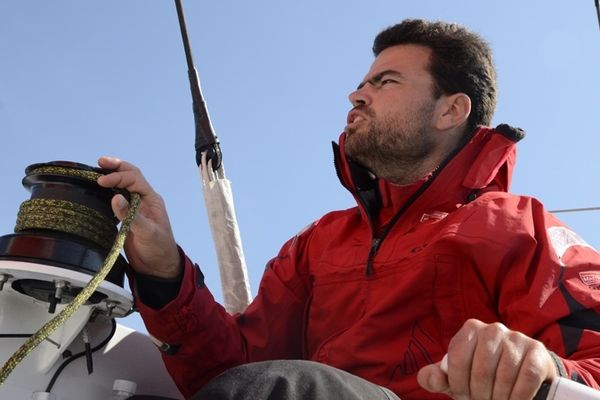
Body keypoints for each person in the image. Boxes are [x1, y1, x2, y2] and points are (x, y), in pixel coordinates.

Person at [97, 19, 600, 400]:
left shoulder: (519, 229)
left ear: (452, 110)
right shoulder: (319, 244)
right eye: (364, 83)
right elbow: (230, 370)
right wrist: (161, 268)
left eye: (385, 82)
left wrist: (542, 368)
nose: (356, 95)